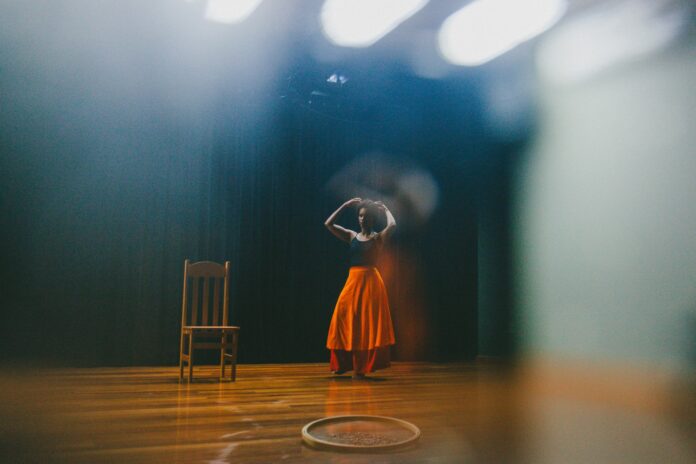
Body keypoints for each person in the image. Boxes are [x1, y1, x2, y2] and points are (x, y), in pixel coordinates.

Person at [324, 198, 396, 378]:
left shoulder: (377, 238)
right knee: (343, 318)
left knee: (366, 325)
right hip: (353, 281)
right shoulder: (351, 236)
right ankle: (342, 364)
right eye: (360, 216)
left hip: (371, 282)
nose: (362, 219)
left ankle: (361, 368)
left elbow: (393, 225)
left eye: (366, 216)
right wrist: (345, 206)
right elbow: (328, 224)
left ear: (372, 219)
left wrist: (385, 209)